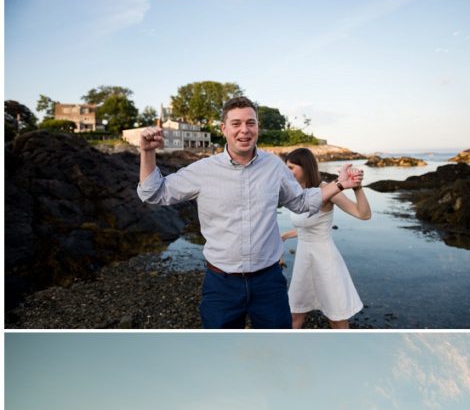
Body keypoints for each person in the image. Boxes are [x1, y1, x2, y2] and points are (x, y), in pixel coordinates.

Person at [136, 96, 362, 328]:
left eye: (250, 123)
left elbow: (301, 203)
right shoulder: (202, 171)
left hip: (269, 282)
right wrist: (147, 152)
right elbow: (153, 193)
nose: (244, 130)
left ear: (258, 127)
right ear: (223, 128)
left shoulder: (274, 166)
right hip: (220, 284)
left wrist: (340, 184)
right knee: (222, 353)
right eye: (236, 124)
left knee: (277, 350)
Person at [280, 147, 371, 329]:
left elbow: (363, 214)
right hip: (304, 260)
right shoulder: (295, 192)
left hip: (325, 259)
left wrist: (357, 188)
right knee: (295, 315)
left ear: (305, 168)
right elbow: (306, 227)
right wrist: (283, 236)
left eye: (290, 168)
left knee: (336, 318)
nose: (286, 172)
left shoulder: (326, 190)